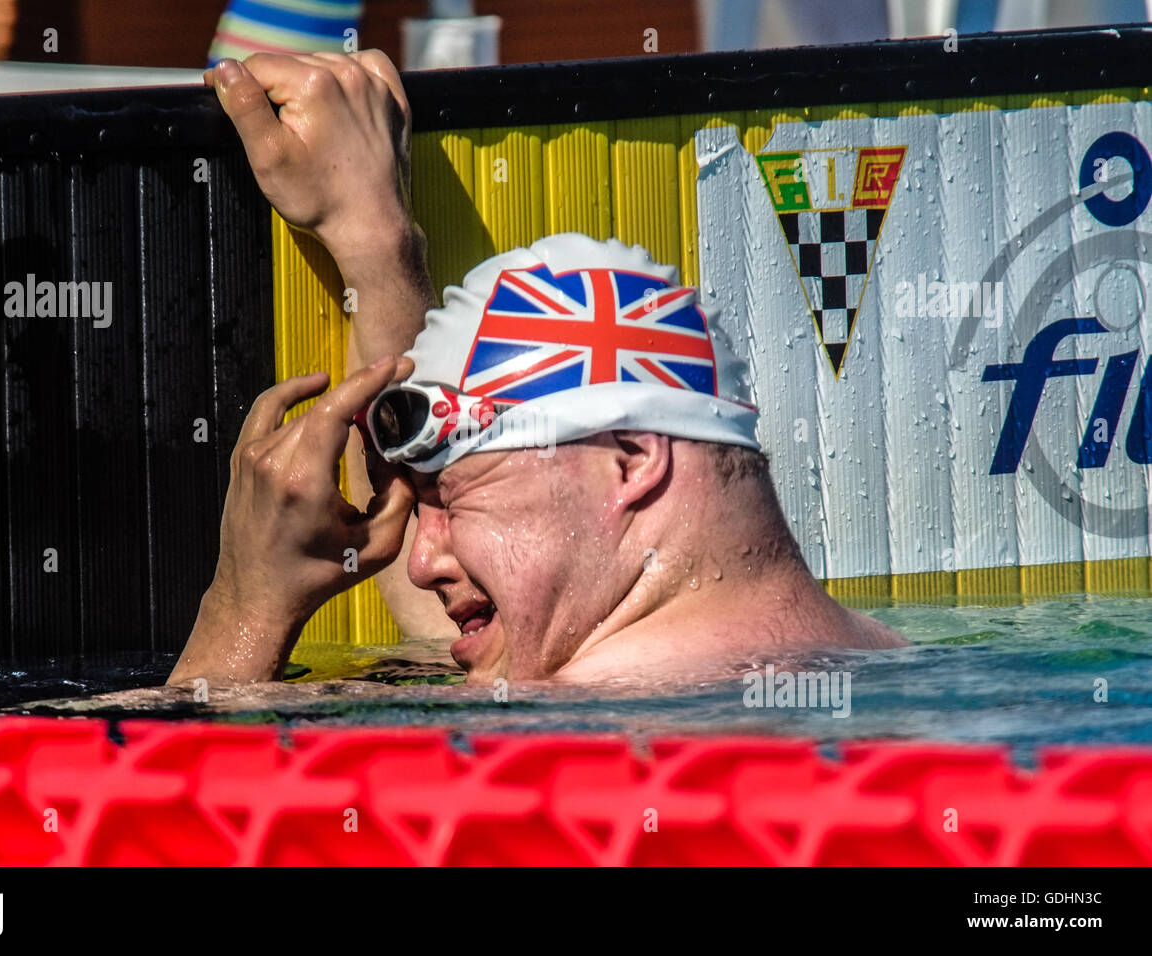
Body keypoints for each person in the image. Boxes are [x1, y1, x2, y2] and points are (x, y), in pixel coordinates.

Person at [166, 52, 904, 689]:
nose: (419, 562)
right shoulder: (877, 660)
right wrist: (373, 241)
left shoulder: (566, 737)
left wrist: (243, 609)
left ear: (630, 460)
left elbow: (155, 835)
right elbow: (522, 618)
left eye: (456, 500)